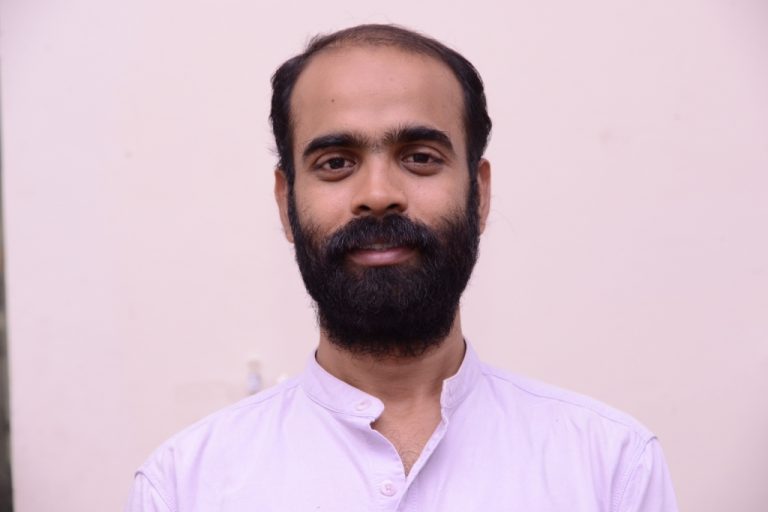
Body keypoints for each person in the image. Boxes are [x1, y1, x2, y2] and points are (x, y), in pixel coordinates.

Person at [126, 24, 678, 511]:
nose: (378, 194)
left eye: (419, 158)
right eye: (335, 163)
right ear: (285, 203)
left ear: (480, 194)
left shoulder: (611, 468)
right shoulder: (184, 487)